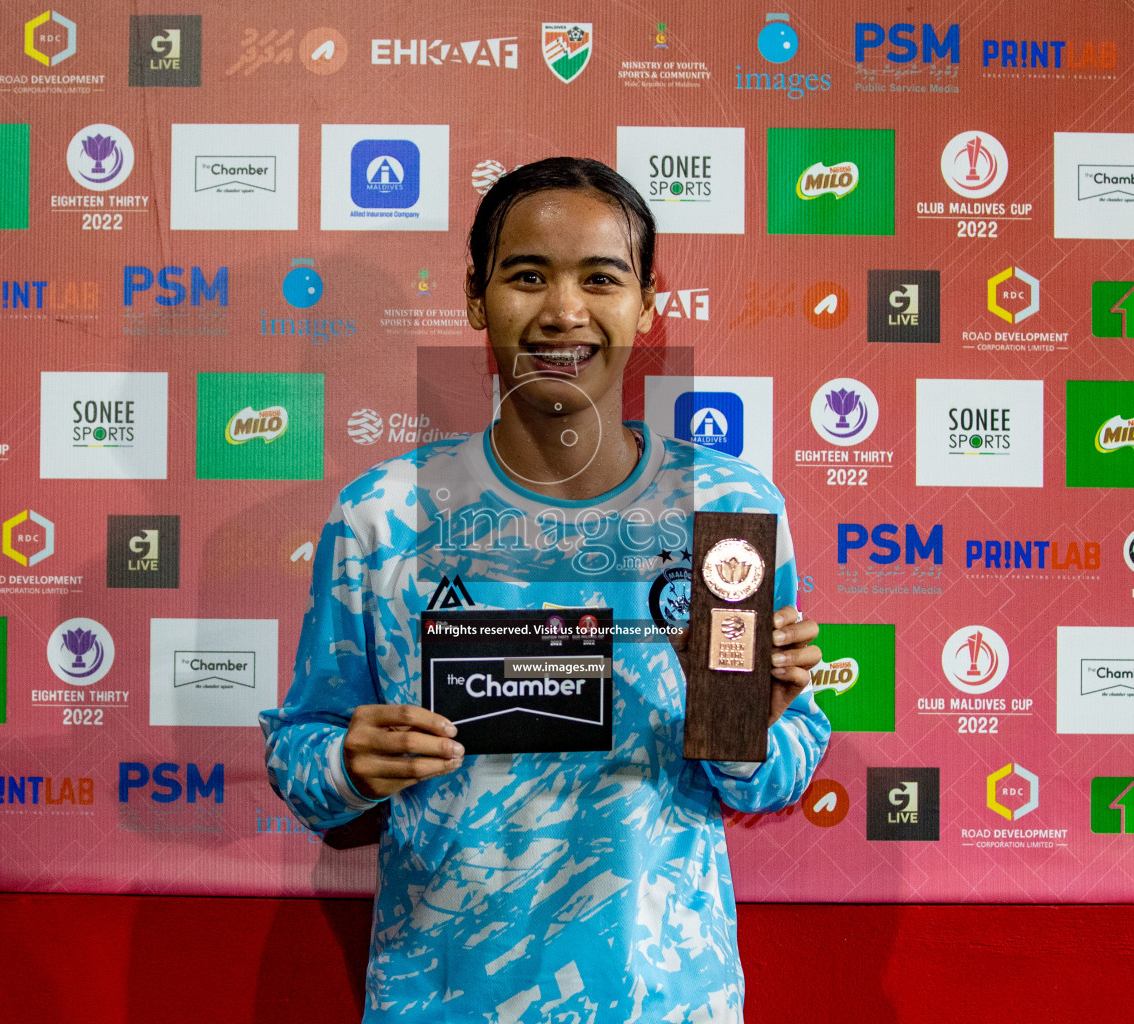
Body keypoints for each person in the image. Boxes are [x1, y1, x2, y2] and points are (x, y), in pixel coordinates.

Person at [261, 157, 829, 1022]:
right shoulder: (384, 515)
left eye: (601, 279)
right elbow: (302, 754)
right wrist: (344, 763)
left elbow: (773, 777)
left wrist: (750, 719)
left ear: (645, 305)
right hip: (439, 998)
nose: (564, 310)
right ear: (475, 298)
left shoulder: (723, 512)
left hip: (665, 1001)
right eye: (528, 275)